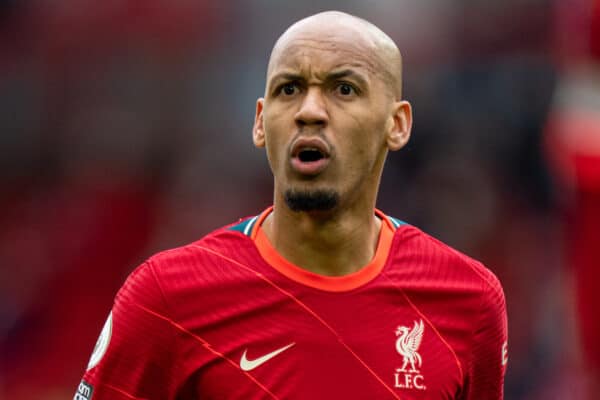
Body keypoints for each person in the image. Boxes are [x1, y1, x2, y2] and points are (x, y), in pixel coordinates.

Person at [74, 11, 508, 399]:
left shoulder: (468, 302)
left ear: (397, 124)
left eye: (344, 88)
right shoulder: (167, 297)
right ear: (261, 121)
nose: (310, 111)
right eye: (289, 89)